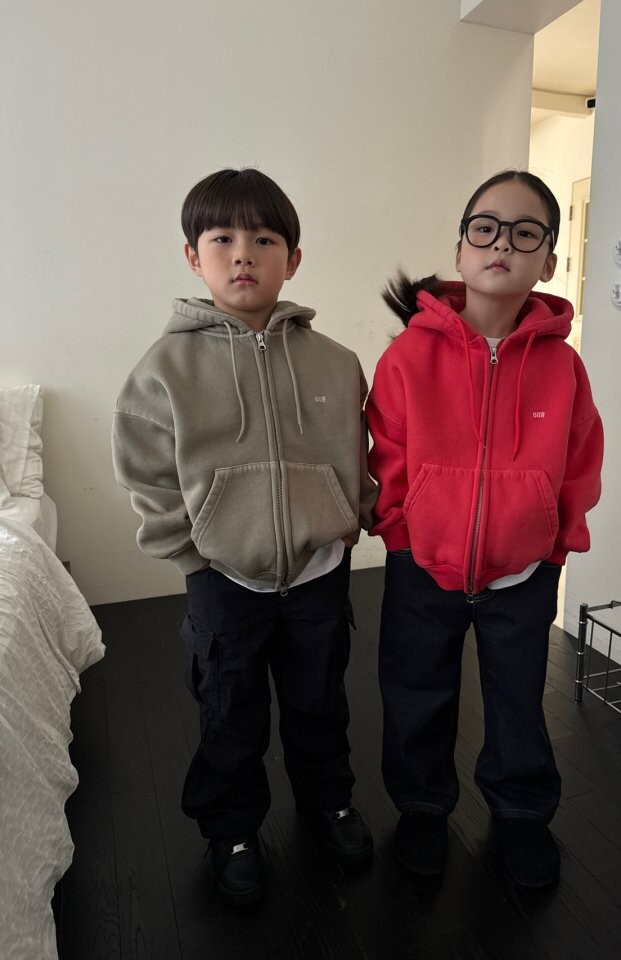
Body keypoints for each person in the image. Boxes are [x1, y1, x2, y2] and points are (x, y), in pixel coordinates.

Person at [112, 168, 376, 906]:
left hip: (320, 571)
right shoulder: (164, 368)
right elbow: (146, 471)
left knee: (320, 702)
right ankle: (231, 830)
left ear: (293, 257)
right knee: (229, 711)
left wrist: (349, 520)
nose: (242, 254)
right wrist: (190, 552)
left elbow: (358, 453)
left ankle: (329, 803)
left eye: (264, 239)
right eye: (222, 238)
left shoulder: (335, 361)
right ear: (193, 256)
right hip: (223, 578)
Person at [366, 170, 603, 887]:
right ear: (461, 250)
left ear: (548, 262)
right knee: (416, 691)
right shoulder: (409, 356)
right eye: (486, 228)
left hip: (523, 574)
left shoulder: (564, 367)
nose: (502, 243)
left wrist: (554, 550)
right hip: (422, 566)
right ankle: (421, 806)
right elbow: (388, 457)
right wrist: (402, 539)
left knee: (518, 698)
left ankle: (521, 812)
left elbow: (578, 464)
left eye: (525, 233)